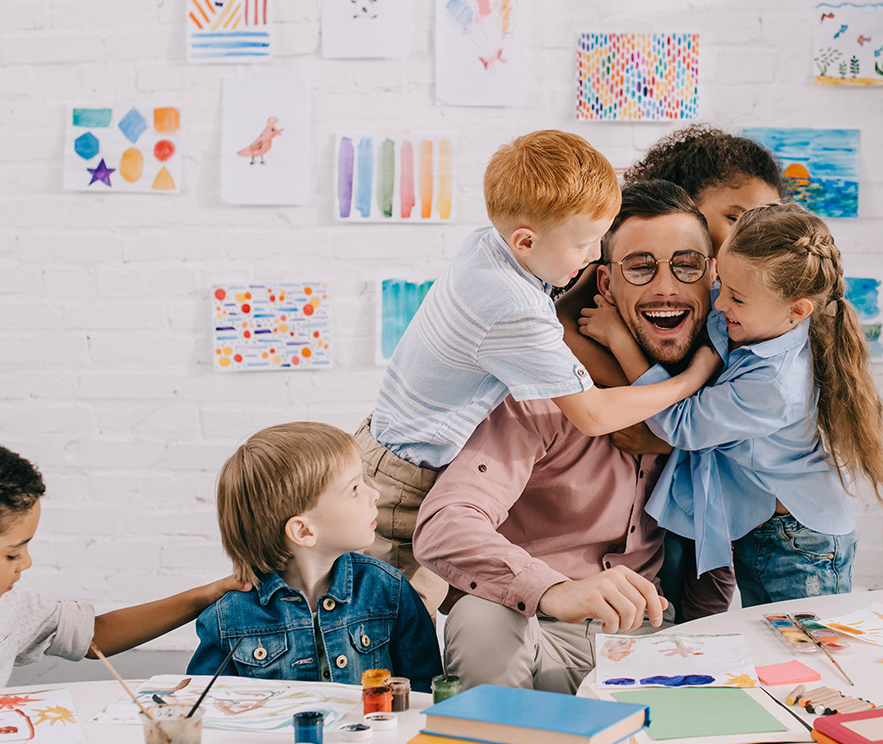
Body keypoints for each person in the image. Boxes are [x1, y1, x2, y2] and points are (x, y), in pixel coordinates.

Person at [358, 130, 717, 614]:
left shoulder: (489, 245)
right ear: (525, 240)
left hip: (389, 445)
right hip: (404, 481)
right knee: (390, 629)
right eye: (587, 245)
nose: (592, 259)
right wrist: (688, 382)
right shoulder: (513, 307)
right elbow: (590, 414)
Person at [413, 181, 724, 693]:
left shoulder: (724, 401)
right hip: (537, 628)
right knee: (479, 616)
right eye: (641, 267)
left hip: (654, 641)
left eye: (686, 265)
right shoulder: (542, 393)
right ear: (604, 284)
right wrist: (556, 588)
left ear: (711, 277)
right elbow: (446, 523)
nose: (666, 287)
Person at [580, 202, 883, 605]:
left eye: (736, 298)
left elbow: (680, 424)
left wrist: (621, 341)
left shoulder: (775, 385)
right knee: (768, 646)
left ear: (796, 310)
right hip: (763, 527)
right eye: (720, 284)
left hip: (797, 542)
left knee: (801, 651)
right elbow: (715, 327)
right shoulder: (765, 321)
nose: (720, 304)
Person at [556, 124, 786, 621]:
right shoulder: (603, 271)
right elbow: (562, 333)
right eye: (736, 218)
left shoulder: (740, 299)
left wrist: (668, 435)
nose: (752, 234)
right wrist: (660, 415)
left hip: (712, 501)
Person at [187, 422, 441, 689]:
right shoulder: (227, 618)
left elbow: (424, 690)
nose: (374, 495)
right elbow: (205, 709)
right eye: (354, 489)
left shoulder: (388, 589)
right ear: (303, 531)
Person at [0, 445, 245, 687]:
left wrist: (206, 595)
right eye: (12, 554)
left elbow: (95, 635)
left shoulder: (14, 604)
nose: (26, 562)